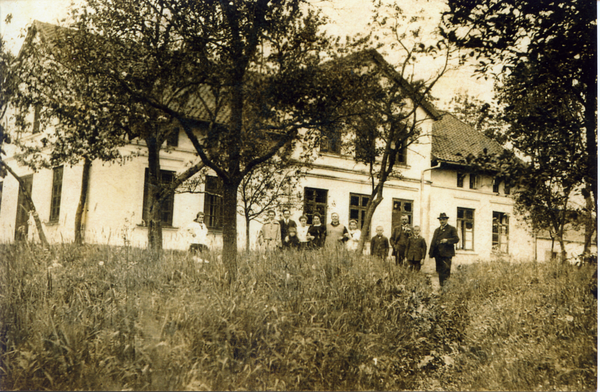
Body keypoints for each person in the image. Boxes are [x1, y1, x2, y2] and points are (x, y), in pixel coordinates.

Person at [429, 212, 459, 287]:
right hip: (438, 255)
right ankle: (441, 286)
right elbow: (433, 241)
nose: (442, 221)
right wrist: (431, 253)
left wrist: (447, 240)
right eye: (441, 220)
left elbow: (456, 239)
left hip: (446, 255)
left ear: (447, 220)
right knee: (439, 271)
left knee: (446, 271)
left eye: (444, 219)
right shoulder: (437, 230)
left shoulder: (451, 229)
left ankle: (446, 288)